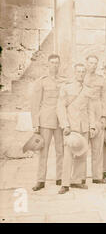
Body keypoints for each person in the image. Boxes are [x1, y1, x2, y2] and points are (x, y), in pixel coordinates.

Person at [57, 63, 96, 194]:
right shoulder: (67, 88)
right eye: (78, 71)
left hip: (83, 126)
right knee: (68, 155)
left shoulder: (87, 89)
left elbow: (90, 110)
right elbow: (61, 107)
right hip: (71, 127)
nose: (80, 74)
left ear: (85, 74)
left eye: (83, 72)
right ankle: (65, 183)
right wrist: (65, 125)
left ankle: (77, 180)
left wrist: (92, 126)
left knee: (82, 154)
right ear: (74, 72)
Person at [30, 54, 66, 191]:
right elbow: (35, 104)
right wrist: (35, 124)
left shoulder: (63, 81)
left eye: (57, 63)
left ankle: (60, 177)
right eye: (52, 63)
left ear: (59, 65)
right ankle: (40, 180)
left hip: (60, 121)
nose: (54, 65)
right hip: (45, 120)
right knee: (43, 152)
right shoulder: (42, 81)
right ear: (48, 64)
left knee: (60, 150)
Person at [84, 55, 106, 184]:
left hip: (97, 112)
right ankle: (79, 176)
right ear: (86, 63)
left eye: (95, 63)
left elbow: (104, 99)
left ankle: (97, 176)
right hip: (84, 113)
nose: (93, 65)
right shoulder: (81, 77)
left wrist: (104, 116)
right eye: (90, 63)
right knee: (82, 146)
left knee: (97, 147)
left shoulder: (101, 80)